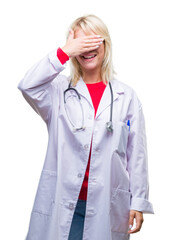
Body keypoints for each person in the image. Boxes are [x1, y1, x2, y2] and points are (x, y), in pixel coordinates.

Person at [18, 14, 154, 240]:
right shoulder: (58, 91)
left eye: (93, 41)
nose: (87, 49)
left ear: (105, 44)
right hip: (62, 201)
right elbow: (27, 86)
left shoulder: (126, 96)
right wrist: (63, 52)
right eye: (80, 44)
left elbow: (136, 154)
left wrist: (138, 201)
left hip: (106, 203)